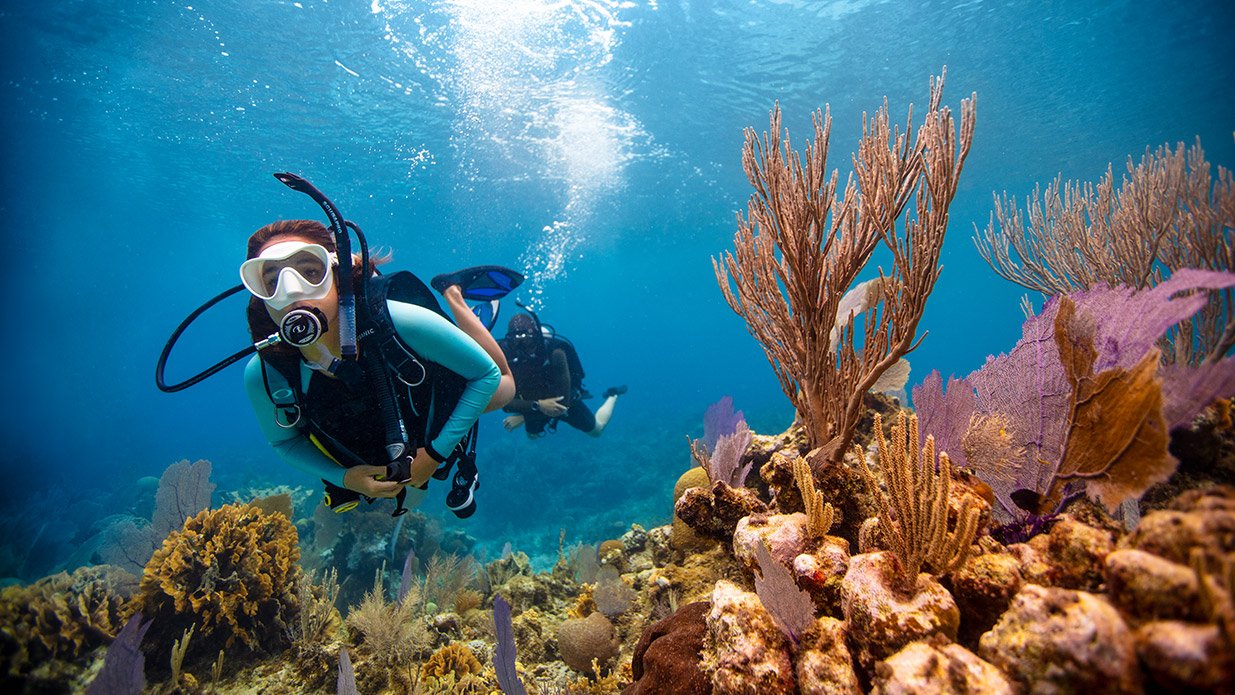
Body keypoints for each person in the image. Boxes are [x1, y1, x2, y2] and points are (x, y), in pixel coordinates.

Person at [241, 218, 521, 517]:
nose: (291, 292)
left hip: (434, 398)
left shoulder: (402, 321)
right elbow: (284, 441)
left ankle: (453, 294)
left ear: (338, 276)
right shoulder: (266, 374)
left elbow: (486, 374)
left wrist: (435, 453)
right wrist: (345, 478)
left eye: (311, 272)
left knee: (505, 386)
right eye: (272, 281)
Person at [497, 311, 626, 438]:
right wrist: (537, 406)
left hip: (564, 400)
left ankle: (613, 395)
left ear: (536, 337)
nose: (522, 348)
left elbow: (563, 403)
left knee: (597, 430)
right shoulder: (506, 356)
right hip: (535, 404)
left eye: (526, 341)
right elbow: (503, 402)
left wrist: (526, 415)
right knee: (532, 435)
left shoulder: (555, 352)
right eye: (516, 342)